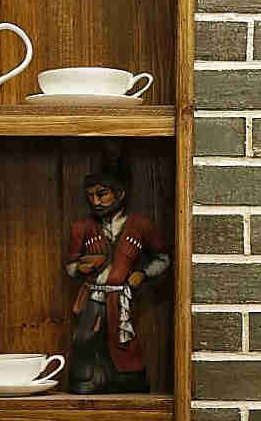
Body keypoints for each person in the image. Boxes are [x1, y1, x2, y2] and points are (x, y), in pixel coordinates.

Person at [65, 164, 170, 394]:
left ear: (120, 194)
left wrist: (143, 273)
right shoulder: (82, 228)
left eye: (102, 194)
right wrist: (81, 267)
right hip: (94, 294)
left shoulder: (141, 226)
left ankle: (128, 379)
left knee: (123, 341)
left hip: (123, 296)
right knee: (85, 337)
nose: (95, 201)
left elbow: (163, 259)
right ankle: (86, 379)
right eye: (90, 196)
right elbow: (70, 267)